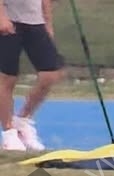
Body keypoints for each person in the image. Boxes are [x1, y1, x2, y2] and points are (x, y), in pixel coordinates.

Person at [0, 0, 63, 154]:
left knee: (51, 73)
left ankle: (22, 120)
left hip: (35, 21)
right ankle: (9, 133)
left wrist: (48, 23)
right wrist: (2, 17)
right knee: (7, 78)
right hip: (9, 18)